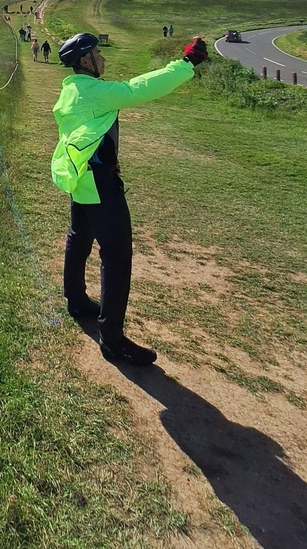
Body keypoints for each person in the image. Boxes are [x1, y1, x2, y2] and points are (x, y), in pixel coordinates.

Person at [51, 32, 208, 366]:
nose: (102, 58)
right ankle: (112, 340)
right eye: (96, 53)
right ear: (84, 61)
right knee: (117, 256)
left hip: (81, 176)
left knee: (79, 238)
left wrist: (105, 152)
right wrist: (185, 63)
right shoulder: (95, 91)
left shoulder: (71, 91)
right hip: (98, 182)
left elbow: (84, 130)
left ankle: (77, 301)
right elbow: (139, 88)